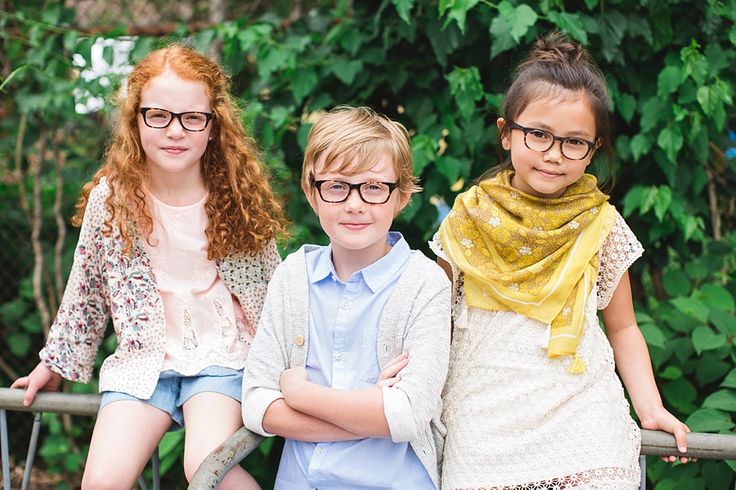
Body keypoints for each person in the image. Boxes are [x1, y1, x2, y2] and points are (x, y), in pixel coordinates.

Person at [11, 44, 288, 490]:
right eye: (158, 115)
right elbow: (87, 289)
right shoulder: (112, 199)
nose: (175, 131)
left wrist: (295, 363)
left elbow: (273, 290)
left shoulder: (234, 198)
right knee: (101, 482)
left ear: (213, 125)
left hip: (223, 359)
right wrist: (54, 364)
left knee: (206, 468)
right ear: (136, 120)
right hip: (143, 361)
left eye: (192, 118)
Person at [432, 32, 690, 489]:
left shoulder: (601, 224)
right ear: (506, 133)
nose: (554, 155)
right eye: (538, 135)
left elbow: (623, 328)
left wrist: (650, 408)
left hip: (584, 426)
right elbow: (435, 325)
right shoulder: (467, 220)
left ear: (593, 150)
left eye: (575, 142)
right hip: (482, 428)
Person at [241, 106, 451, 489]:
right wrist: (370, 411)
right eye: (337, 186)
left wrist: (300, 393)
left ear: (402, 195)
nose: (355, 204)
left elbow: (408, 414)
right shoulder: (292, 277)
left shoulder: (424, 283)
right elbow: (257, 404)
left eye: (374, 187)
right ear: (312, 192)